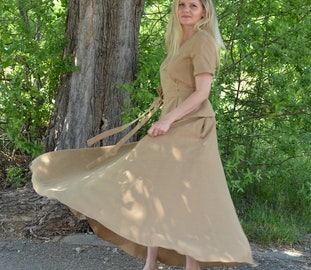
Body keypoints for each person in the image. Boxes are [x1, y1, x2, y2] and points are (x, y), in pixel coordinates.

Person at [30, 0, 256, 269]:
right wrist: (166, 111)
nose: (186, 9)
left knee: (192, 196)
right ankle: (151, 263)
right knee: (154, 190)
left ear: (204, 12)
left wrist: (169, 119)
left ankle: (191, 264)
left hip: (192, 127)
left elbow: (201, 93)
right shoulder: (176, 46)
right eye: (182, 4)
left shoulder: (203, 41)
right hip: (171, 121)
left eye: (193, 5)